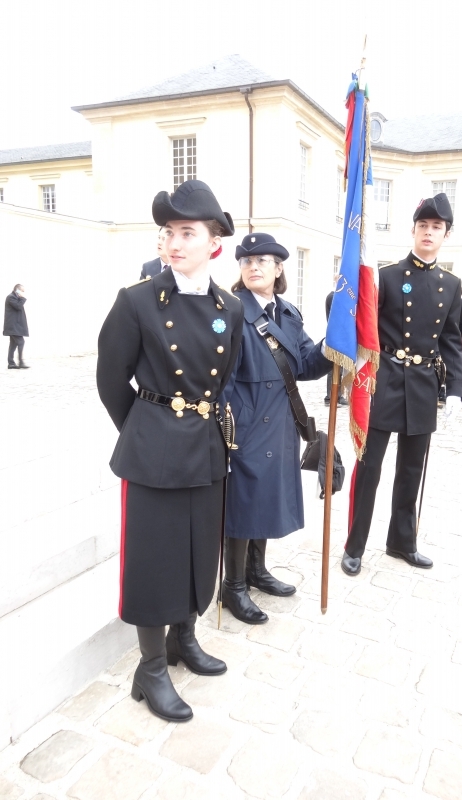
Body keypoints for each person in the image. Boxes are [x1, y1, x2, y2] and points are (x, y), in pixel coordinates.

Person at [97, 180, 244, 722]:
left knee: (198, 551)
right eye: (168, 233)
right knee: (155, 561)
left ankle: (185, 638)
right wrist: (146, 428)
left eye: (187, 232)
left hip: (205, 447)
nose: (174, 243)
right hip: (155, 450)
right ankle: (151, 666)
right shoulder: (136, 301)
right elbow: (110, 380)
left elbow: (221, 380)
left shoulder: (227, 306)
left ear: (214, 243)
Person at [341, 193, 462, 576]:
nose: (429, 232)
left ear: (446, 234)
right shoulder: (388, 275)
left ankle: (402, 543)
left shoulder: (451, 283)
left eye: (437, 227)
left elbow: (453, 340)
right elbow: (364, 324)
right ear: (413, 230)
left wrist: (457, 389)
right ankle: (355, 545)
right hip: (386, 379)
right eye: (423, 226)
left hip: (424, 384)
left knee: (412, 469)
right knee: (370, 465)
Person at [221, 233, 331, 624]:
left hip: (280, 420)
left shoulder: (288, 313)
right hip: (246, 420)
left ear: (279, 268)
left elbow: (304, 365)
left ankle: (256, 570)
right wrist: (228, 427)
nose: (253, 266)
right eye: (247, 261)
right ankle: (232, 586)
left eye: (263, 260)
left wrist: (333, 341)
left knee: (265, 498)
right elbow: (220, 377)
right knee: (243, 503)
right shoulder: (231, 310)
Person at [325, 283, 348, 407]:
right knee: (333, 367)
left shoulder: (335, 295)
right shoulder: (333, 296)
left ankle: (337, 395)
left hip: (340, 334)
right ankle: (330, 397)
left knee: (340, 367)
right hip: (335, 335)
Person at [4, 284, 30, 369]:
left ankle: (11, 363)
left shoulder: (15, 298)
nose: (23, 293)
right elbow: (18, 307)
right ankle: (20, 362)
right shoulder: (10, 297)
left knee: (13, 345)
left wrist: (20, 298)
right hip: (13, 327)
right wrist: (22, 298)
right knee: (21, 342)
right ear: (17, 290)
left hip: (15, 327)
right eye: (22, 291)